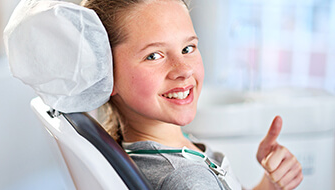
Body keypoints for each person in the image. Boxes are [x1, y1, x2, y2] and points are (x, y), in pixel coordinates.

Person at [81, 0, 303, 189]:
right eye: (154, 55)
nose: (184, 69)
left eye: (188, 49)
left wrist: (268, 185)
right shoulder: (186, 179)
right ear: (105, 74)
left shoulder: (171, 149)